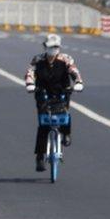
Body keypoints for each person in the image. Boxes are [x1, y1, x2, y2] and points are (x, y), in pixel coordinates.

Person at [24, 34, 84, 172]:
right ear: (45, 47)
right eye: (51, 47)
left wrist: (78, 82)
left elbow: (74, 71)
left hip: (61, 92)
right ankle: (40, 156)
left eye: (56, 47)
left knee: (65, 115)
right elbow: (30, 73)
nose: (54, 50)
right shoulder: (38, 60)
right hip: (43, 94)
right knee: (44, 125)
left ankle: (66, 134)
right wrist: (30, 84)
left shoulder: (66, 59)